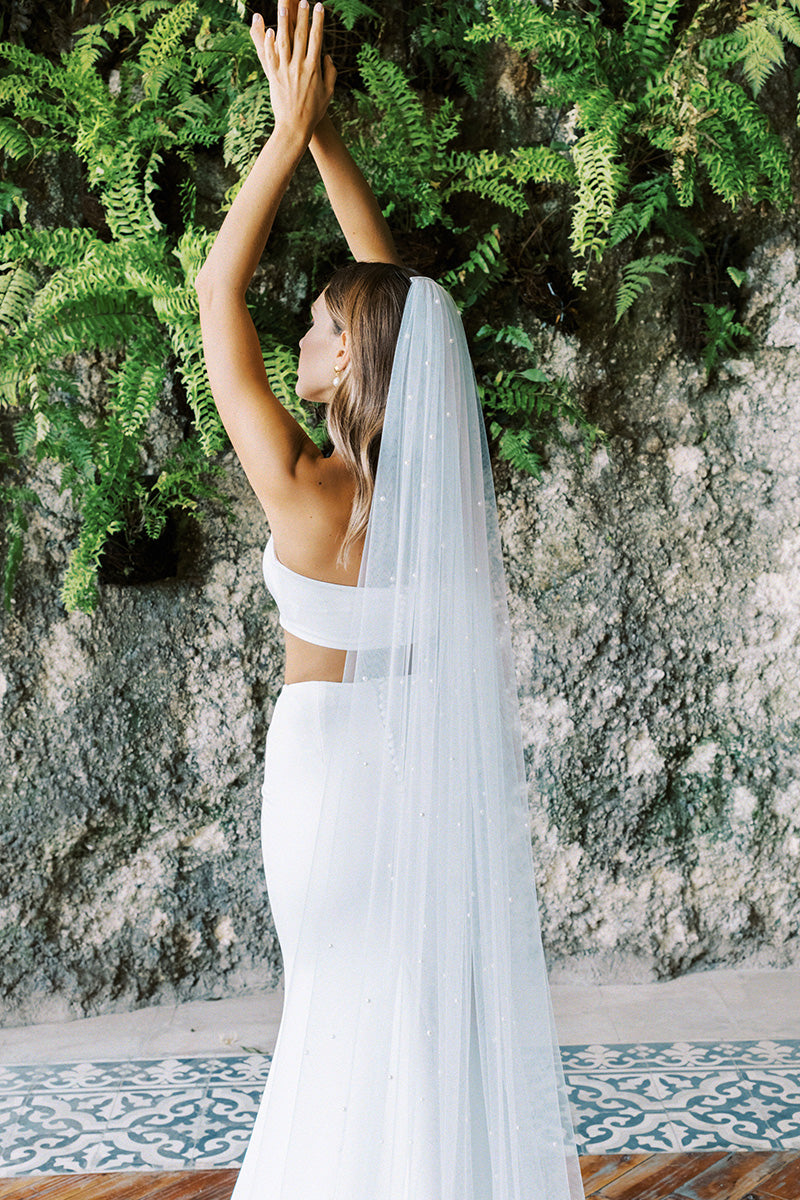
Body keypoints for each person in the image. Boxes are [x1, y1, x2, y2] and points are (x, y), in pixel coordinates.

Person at [196, 4, 584, 1198]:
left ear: (348, 365)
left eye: (315, 328)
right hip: (415, 772)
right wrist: (322, 136)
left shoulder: (306, 496)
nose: (298, 334)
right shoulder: (434, 498)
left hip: (323, 783)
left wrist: (282, 132)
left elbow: (217, 288)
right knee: (417, 1013)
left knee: (333, 1007)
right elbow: (402, 307)